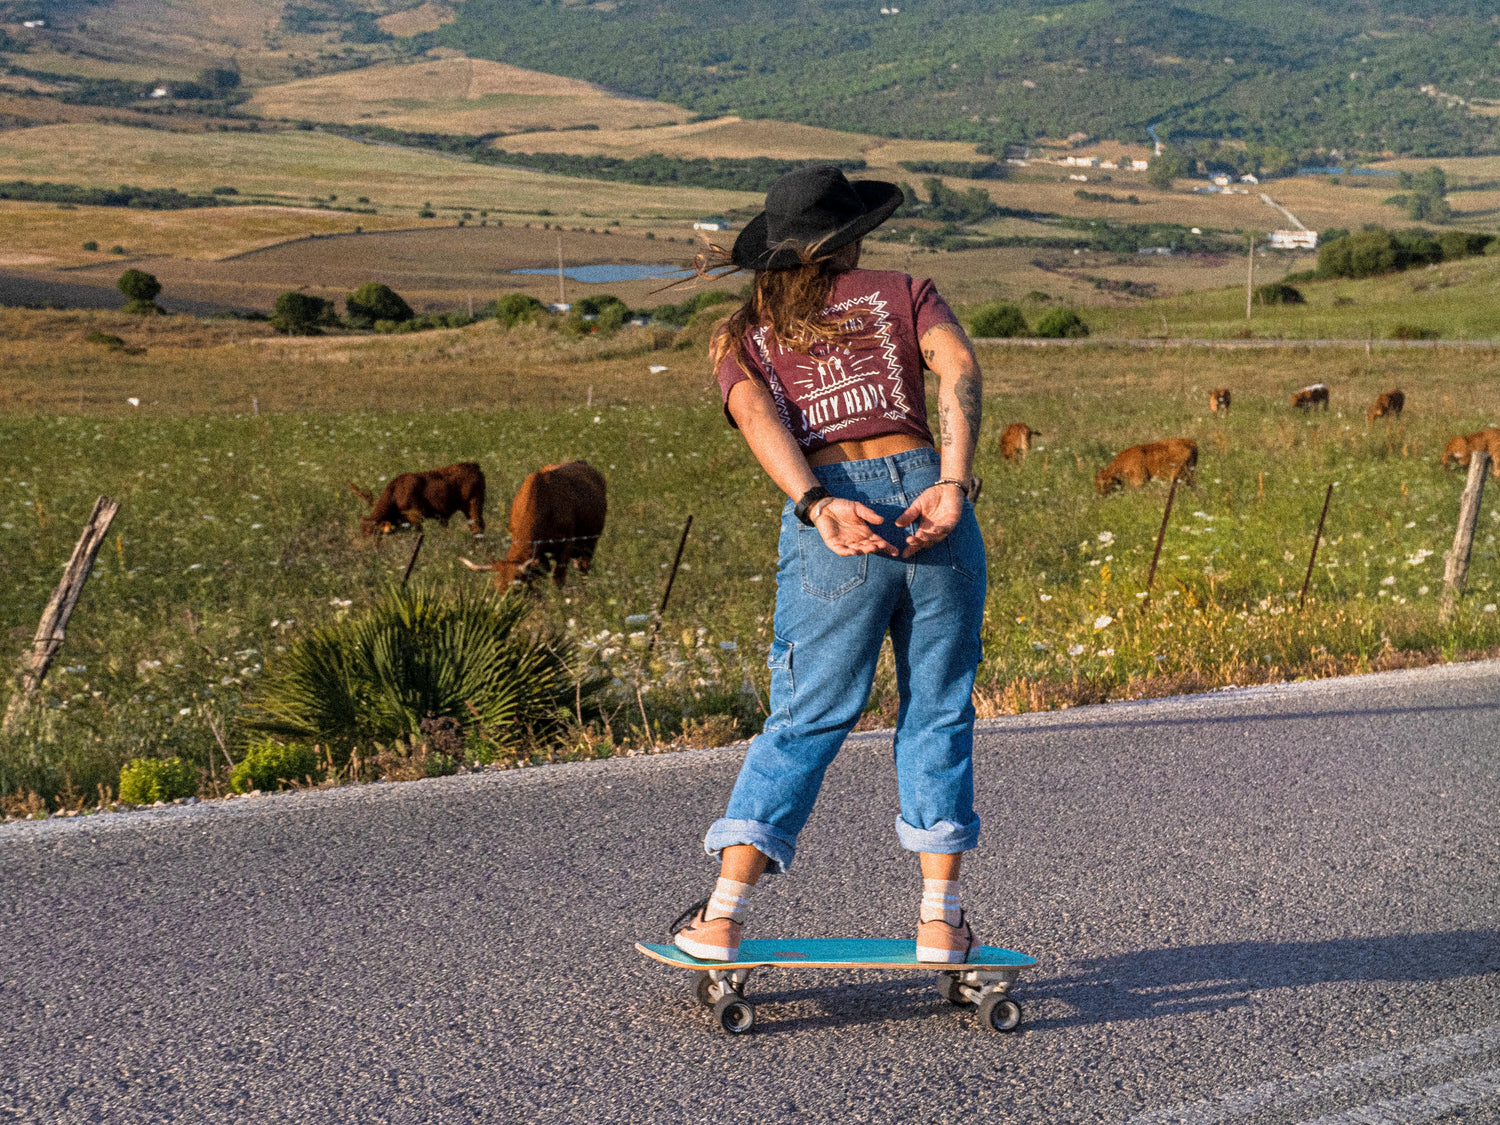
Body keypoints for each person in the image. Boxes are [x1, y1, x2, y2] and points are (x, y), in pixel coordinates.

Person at [671, 165, 988, 965]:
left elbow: (755, 416)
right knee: (938, 708)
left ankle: (723, 915)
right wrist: (952, 484)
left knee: (806, 714)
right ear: (850, 238)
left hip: (836, 514)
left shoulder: (740, 334)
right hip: (931, 501)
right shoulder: (905, 291)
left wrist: (817, 503)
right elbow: (959, 367)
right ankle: (941, 922)